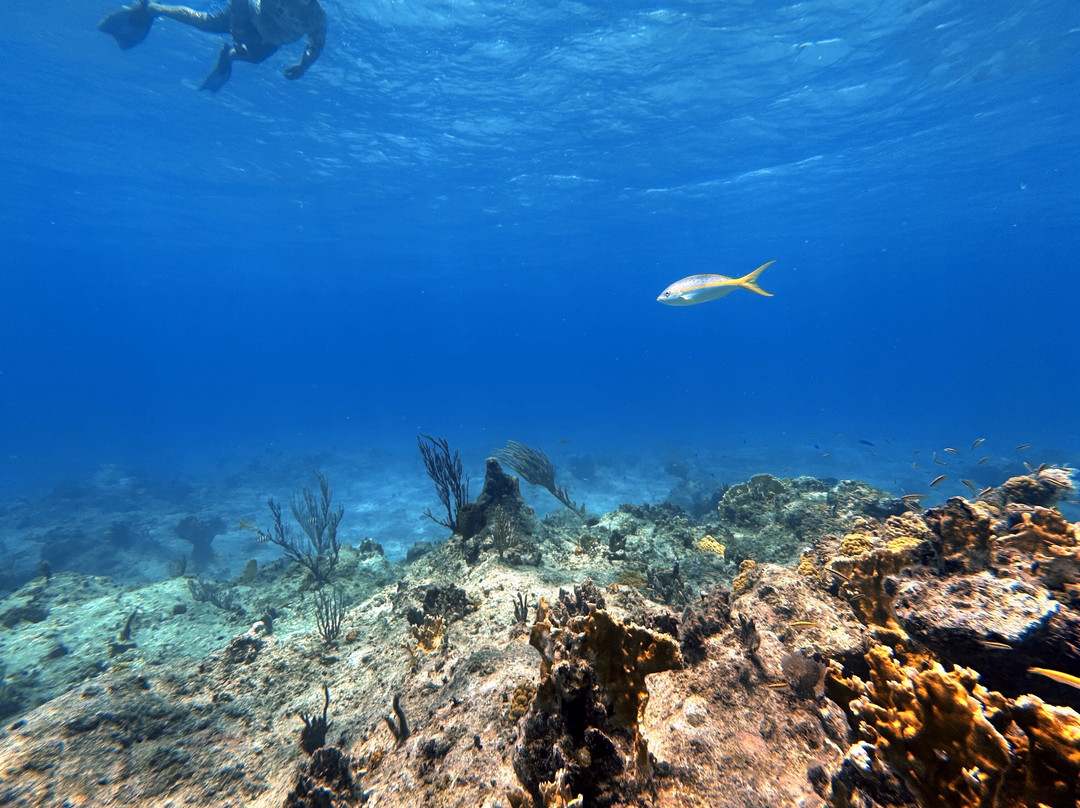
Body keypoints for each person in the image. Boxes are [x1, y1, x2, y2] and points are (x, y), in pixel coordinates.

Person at [98, 0, 326, 91]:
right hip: (245, 15)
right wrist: (238, 27)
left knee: (254, 58)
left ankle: (228, 57)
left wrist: (303, 65)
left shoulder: (317, 18)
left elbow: (315, 44)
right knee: (206, 23)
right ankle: (152, 9)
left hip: (270, 40)